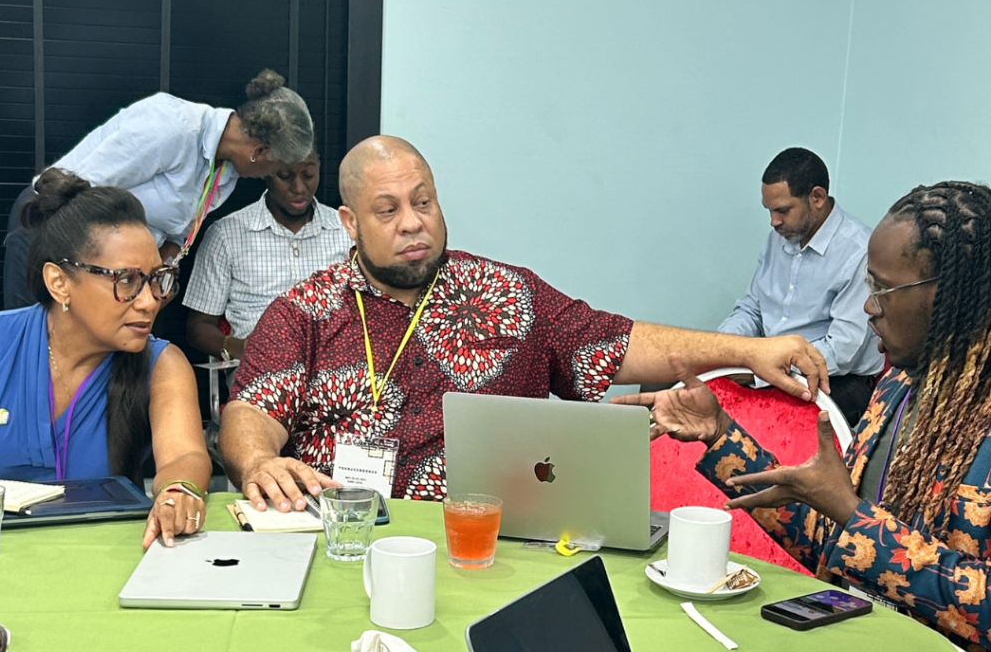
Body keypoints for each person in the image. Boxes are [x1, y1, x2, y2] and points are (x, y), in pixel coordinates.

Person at [219, 135, 829, 510]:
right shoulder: (304, 311)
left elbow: (614, 342)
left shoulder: (506, 293)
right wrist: (257, 462)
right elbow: (250, 412)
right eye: (388, 209)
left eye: (423, 201)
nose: (412, 222)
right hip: (348, 544)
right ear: (351, 224)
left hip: (495, 542)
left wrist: (749, 352)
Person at [619, 182, 991, 652]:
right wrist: (720, 435)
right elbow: (844, 546)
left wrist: (853, 514)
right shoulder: (899, 388)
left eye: (883, 289)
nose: (868, 307)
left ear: (953, 294)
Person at [0, 170, 212, 549]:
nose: (150, 301)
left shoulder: (161, 363)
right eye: (127, 281)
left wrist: (178, 491)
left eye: (156, 279)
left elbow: (184, 454)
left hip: (104, 566)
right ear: (59, 282)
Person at [3, 69, 315, 309]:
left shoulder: (226, 173)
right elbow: (81, 193)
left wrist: (162, 269)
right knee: (36, 353)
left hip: (109, 265)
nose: (267, 176)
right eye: (275, 169)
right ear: (259, 152)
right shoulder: (173, 126)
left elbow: (177, 233)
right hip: (48, 224)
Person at [718, 147, 882, 424]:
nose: (774, 222)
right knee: (682, 396)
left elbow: (842, 351)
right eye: (769, 211)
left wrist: (760, 370)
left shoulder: (859, 252)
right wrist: (724, 350)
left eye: (782, 210)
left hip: (836, 379)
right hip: (772, 365)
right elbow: (753, 308)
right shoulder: (780, 238)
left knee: (756, 429)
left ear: (817, 197)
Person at [184, 150, 351, 362]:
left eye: (308, 175)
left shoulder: (346, 230)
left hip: (337, 367)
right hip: (262, 371)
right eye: (285, 176)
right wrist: (242, 348)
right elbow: (199, 327)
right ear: (265, 172)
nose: (299, 188)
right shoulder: (227, 234)